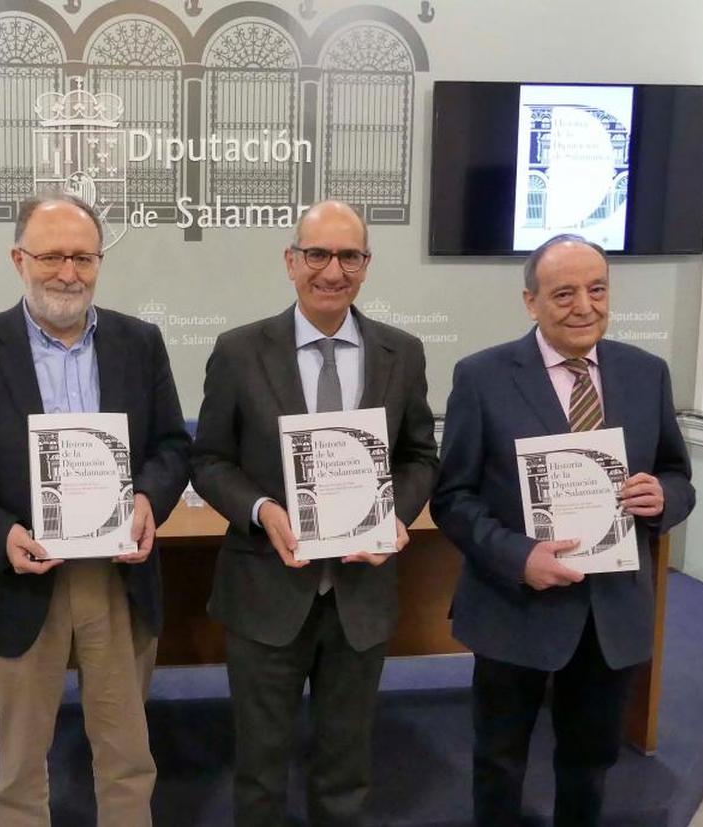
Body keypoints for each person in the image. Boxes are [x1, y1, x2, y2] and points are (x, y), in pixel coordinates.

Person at [0, 193, 191, 827]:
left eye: (84, 257)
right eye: (53, 256)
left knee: (127, 756)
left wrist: (147, 499)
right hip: (16, 576)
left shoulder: (139, 343)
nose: (69, 272)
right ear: (18, 259)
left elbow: (173, 445)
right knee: (18, 767)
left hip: (115, 579)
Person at [431, 234, 695, 827]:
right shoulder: (482, 376)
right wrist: (519, 557)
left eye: (597, 289)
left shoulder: (645, 373)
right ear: (531, 302)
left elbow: (677, 474)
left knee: (590, 763)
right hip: (514, 604)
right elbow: (453, 497)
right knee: (499, 763)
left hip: (611, 613)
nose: (585, 306)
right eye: (564, 293)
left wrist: (662, 499)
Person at [190, 200, 439, 826]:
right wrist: (262, 508)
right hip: (266, 592)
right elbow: (210, 460)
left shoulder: (401, 354)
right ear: (291, 261)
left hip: (361, 594)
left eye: (349, 256)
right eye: (318, 255)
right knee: (260, 769)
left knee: (345, 768)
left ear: (366, 265)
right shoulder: (240, 350)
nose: (333, 271)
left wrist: (394, 515)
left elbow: (419, 458)